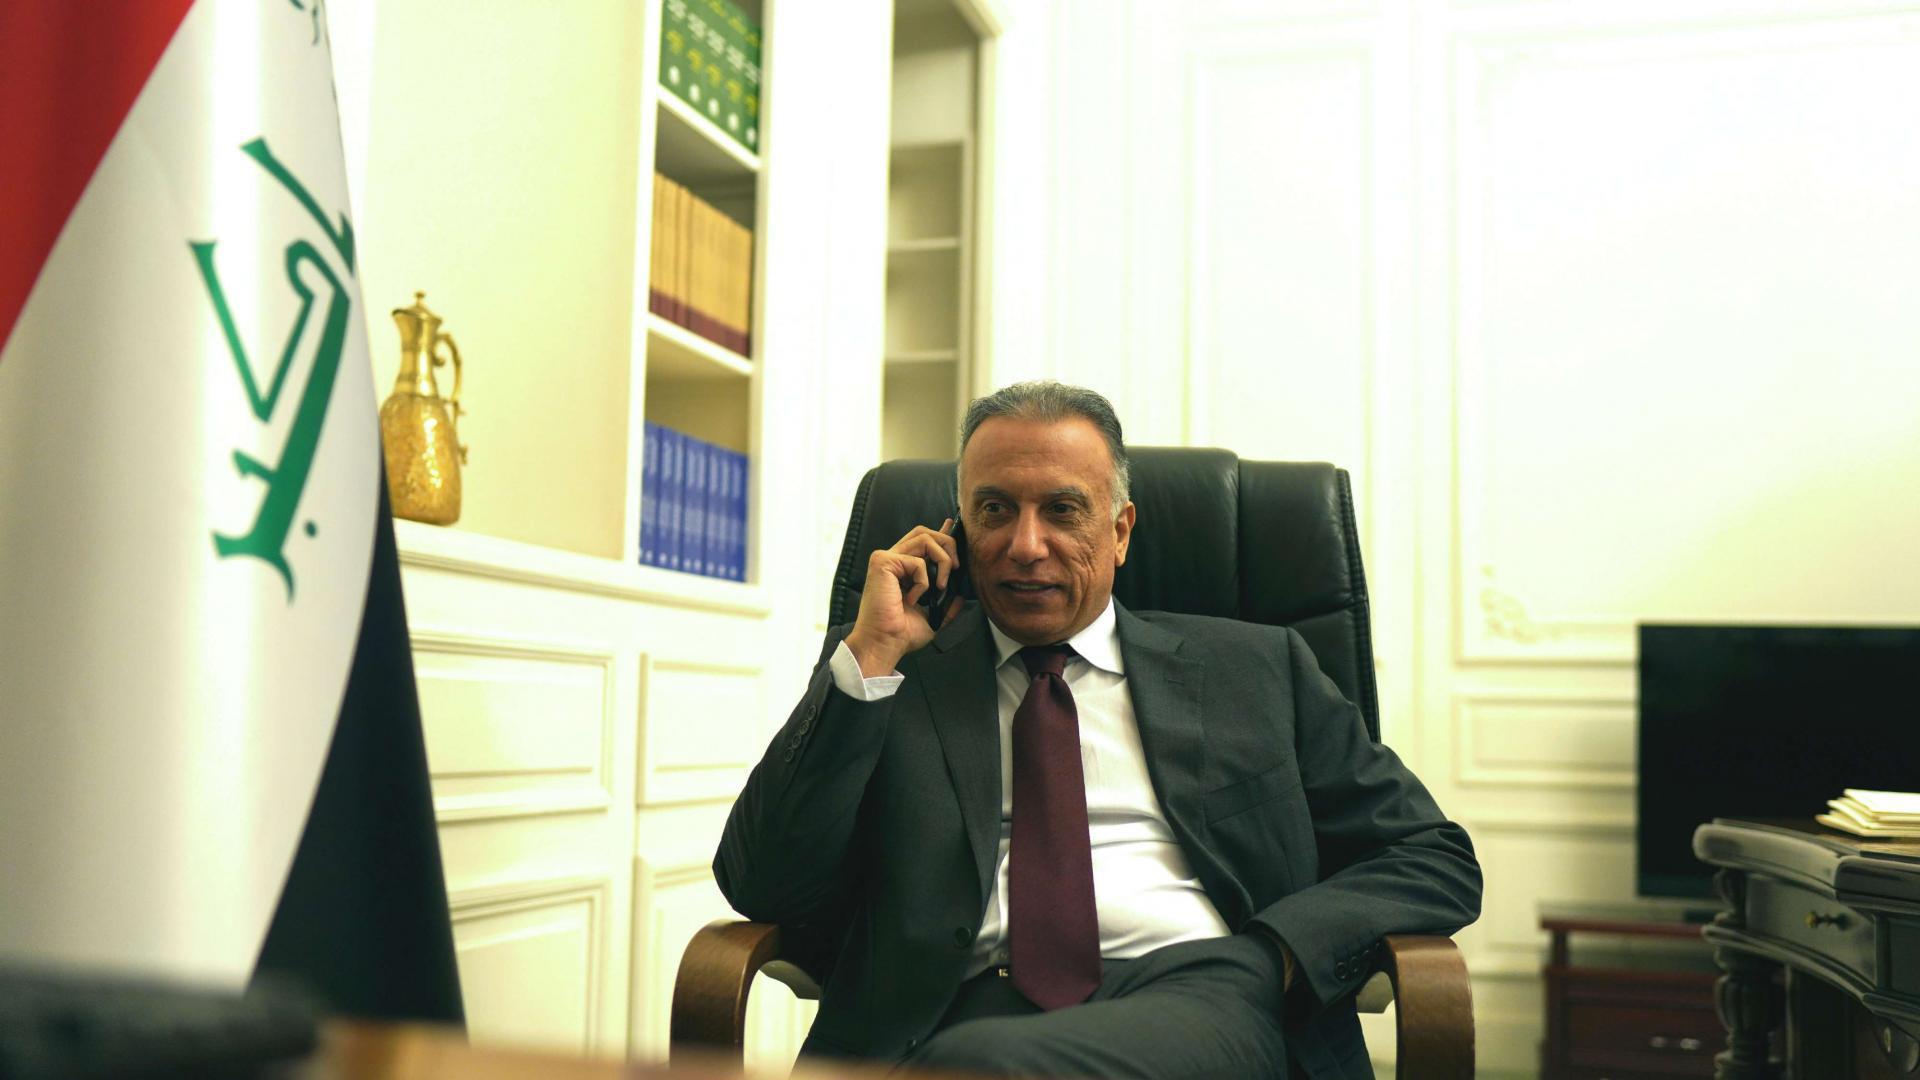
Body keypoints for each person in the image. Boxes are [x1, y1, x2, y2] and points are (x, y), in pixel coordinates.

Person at [715, 381, 1480, 1079]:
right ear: (958, 530)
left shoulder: (1256, 669)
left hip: (1199, 1000)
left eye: (1062, 509)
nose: (1025, 545)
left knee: (979, 1070)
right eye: (994, 510)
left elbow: (1433, 855)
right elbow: (762, 883)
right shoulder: (896, 676)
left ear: (1119, 531)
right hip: (945, 1010)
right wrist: (869, 657)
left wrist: (1274, 955)